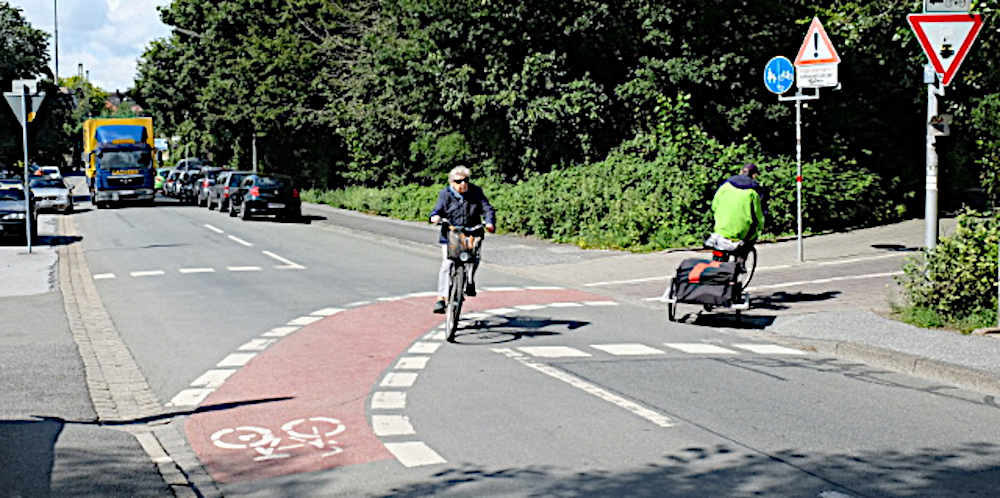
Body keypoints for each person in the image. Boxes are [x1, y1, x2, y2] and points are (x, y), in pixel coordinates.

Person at [429, 166, 496, 314]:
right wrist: (435, 217)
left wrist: (489, 222)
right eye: (458, 181)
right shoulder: (445, 194)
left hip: (472, 232)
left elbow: (487, 209)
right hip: (451, 234)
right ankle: (442, 298)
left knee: (474, 258)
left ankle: (469, 281)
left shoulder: (476, 192)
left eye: (465, 180)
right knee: (447, 264)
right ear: (452, 182)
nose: (463, 184)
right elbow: (437, 210)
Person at [707, 162, 765, 261]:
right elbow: (758, 215)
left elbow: (714, 206)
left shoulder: (725, 186)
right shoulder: (753, 192)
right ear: (754, 176)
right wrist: (761, 227)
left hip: (721, 229)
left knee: (718, 247)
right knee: (749, 241)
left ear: (740, 172)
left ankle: (716, 264)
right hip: (742, 232)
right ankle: (740, 262)